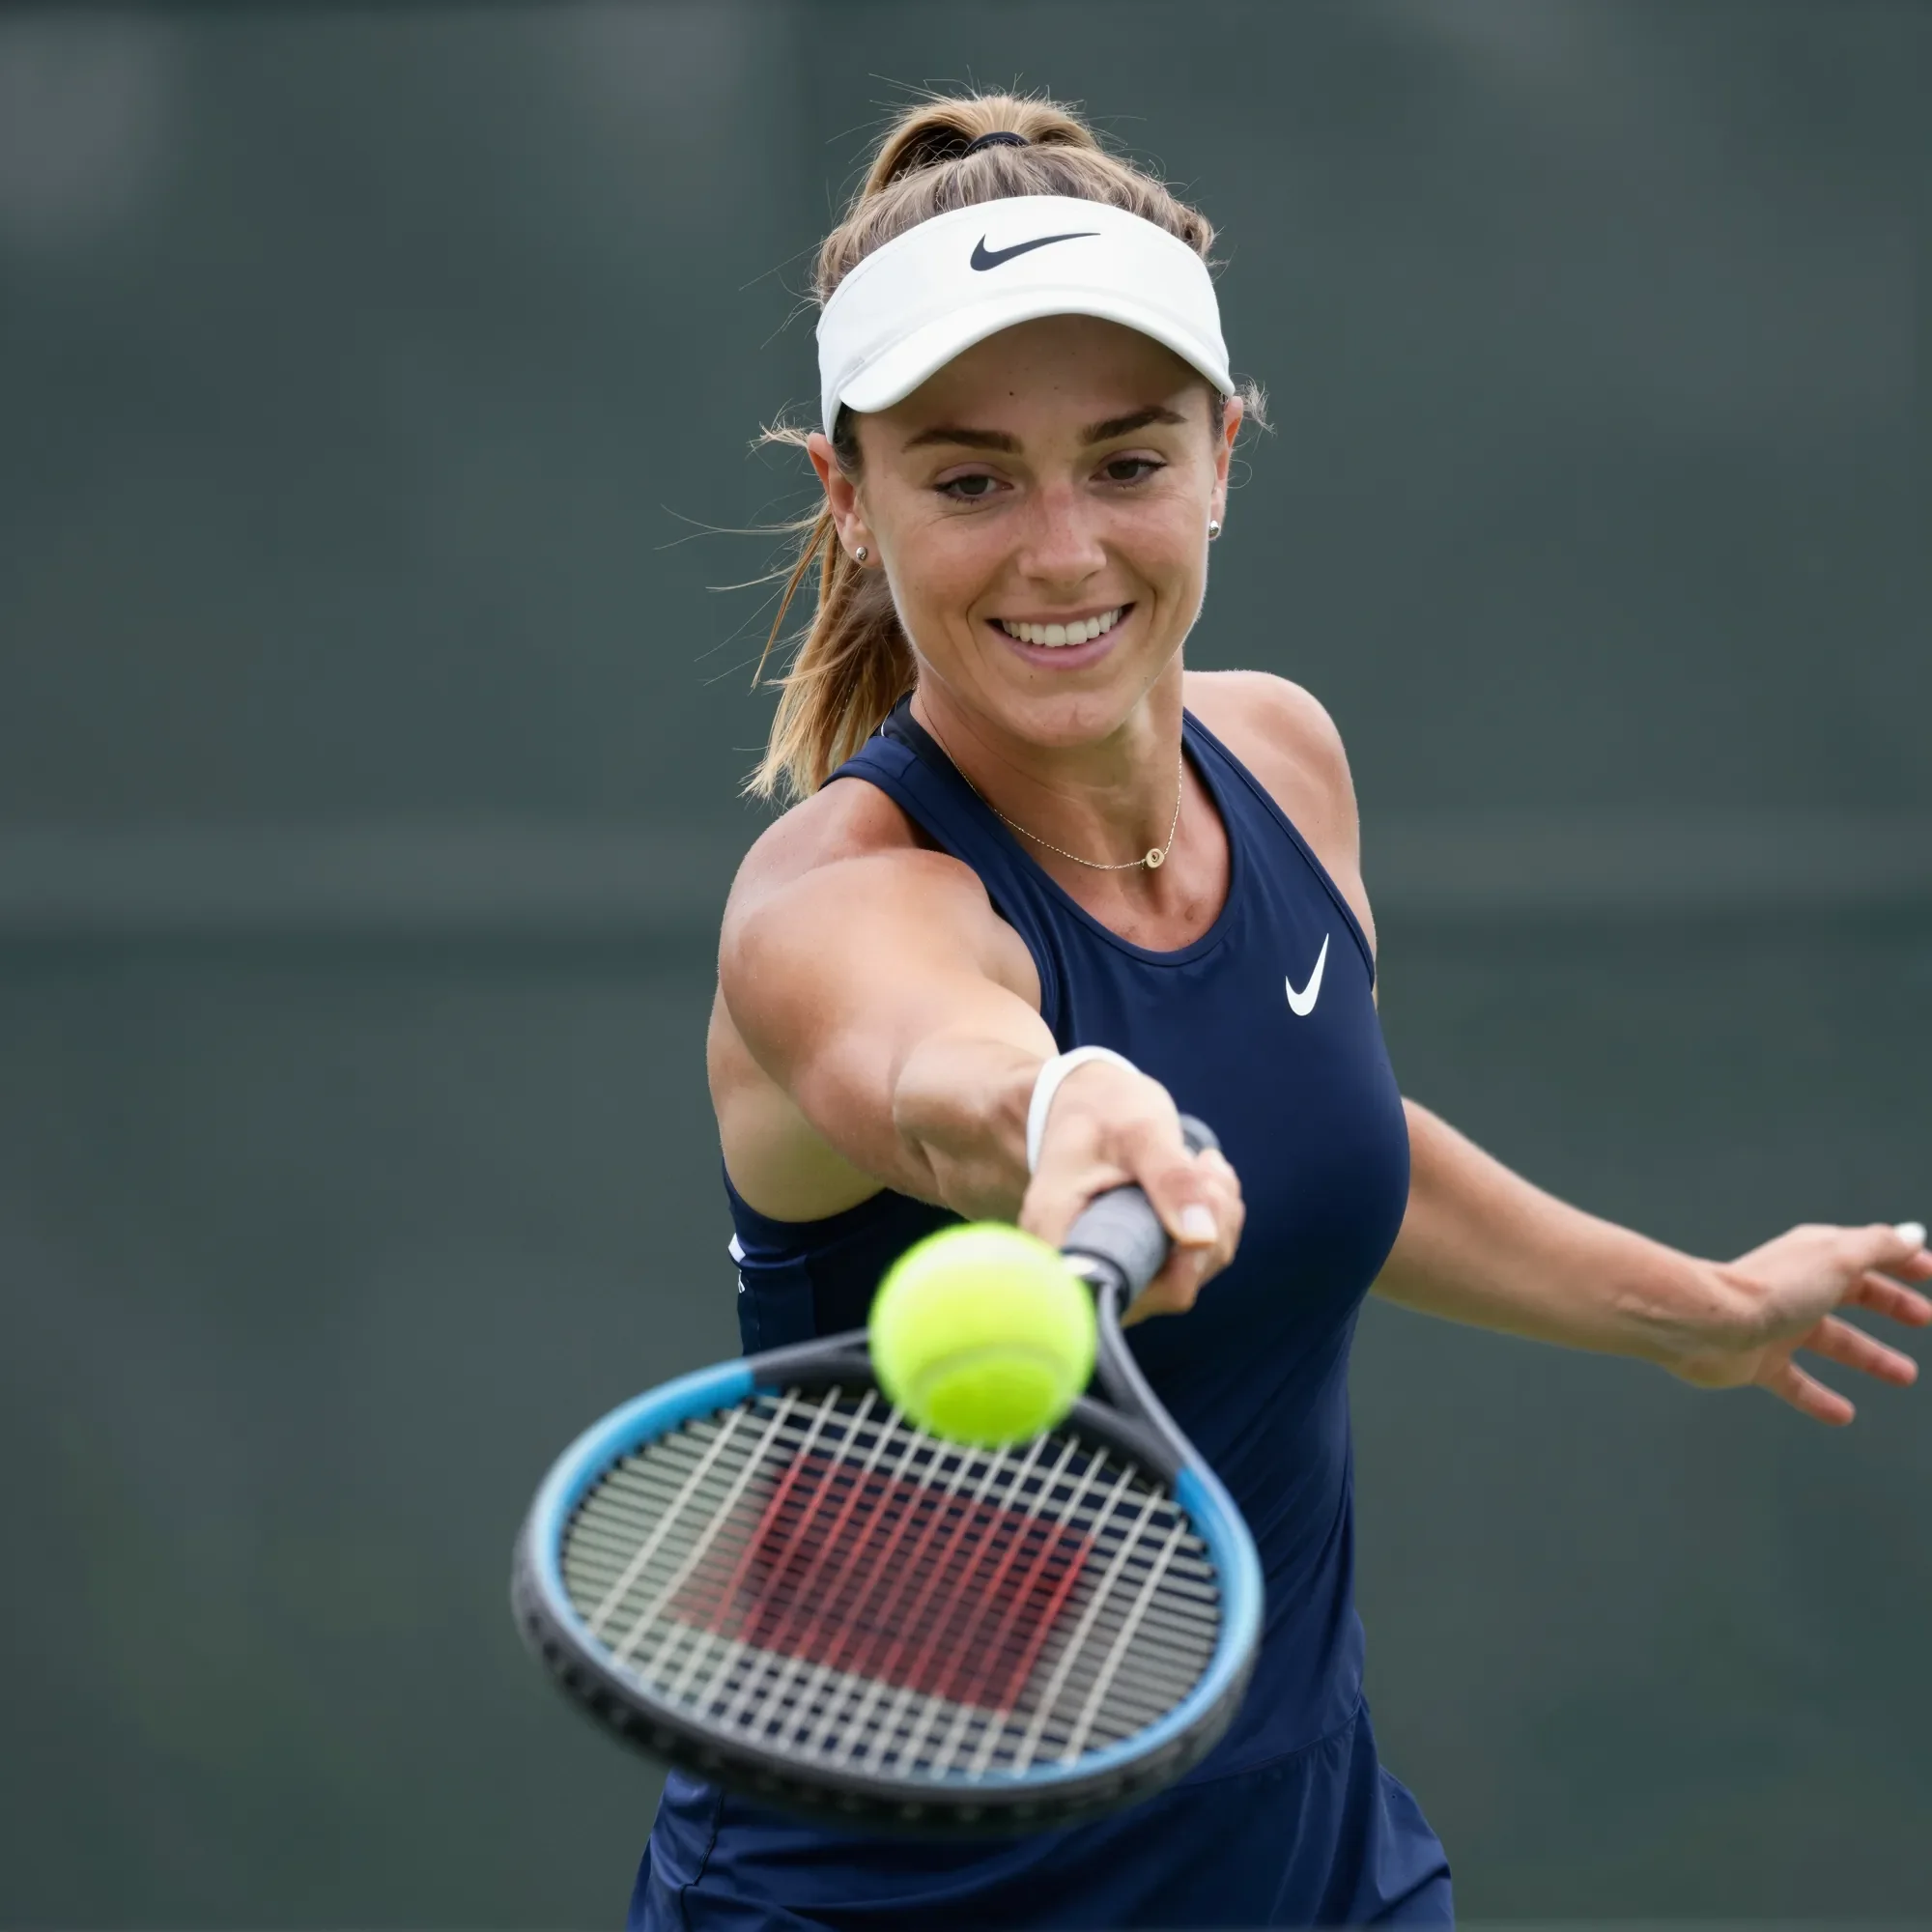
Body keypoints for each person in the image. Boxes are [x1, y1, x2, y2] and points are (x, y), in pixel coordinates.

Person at [630, 93, 1931, 1930]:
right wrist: (1061, 1110)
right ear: (852, 502)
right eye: (973, 475)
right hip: (895, 1896)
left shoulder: (1285, 758)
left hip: (1301, 1858)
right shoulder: (834, 910)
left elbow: (1334, 1135)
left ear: (1226, 454)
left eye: (1130, 461)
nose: (1065, 549)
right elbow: (936, 1072)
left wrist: (1697, 1313)